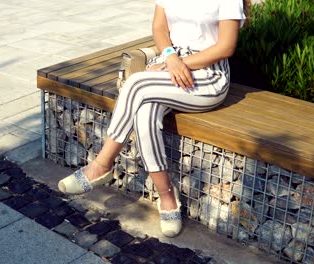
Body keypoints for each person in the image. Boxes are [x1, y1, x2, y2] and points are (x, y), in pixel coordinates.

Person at [58, 0, 248, 237]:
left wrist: (180, 64)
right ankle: (167, 197)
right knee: (145, 111)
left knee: (136, 83)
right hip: (170, 64)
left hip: (207, 76)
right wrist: (170, 57)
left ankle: (102, 164)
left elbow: (225, 47)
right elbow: (159, 28)